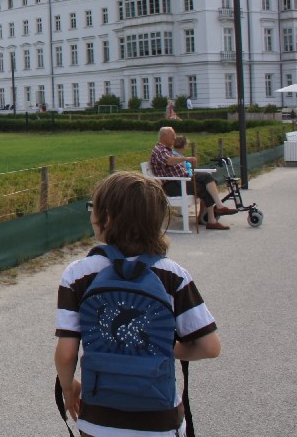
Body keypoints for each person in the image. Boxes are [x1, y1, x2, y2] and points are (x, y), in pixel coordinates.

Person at [55, 171, 221, 436]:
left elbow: (66, 353)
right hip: (160, 420)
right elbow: (210, 347)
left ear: (106, 218)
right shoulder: (172, 275)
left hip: (97, 419)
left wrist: (68, 388)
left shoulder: (78, 275)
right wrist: (165, 348)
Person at [150, 126, 234, 230]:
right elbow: (169, 161)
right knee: (204, 184)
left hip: (182, 180)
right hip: (172, 185)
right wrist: (186, 158)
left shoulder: (167, 150)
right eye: (172, 135)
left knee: (207, 179)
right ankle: (214, 216)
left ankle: (216, 212)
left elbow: (174, 161)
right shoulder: (159, 150)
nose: (175, 138)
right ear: (164, 136)